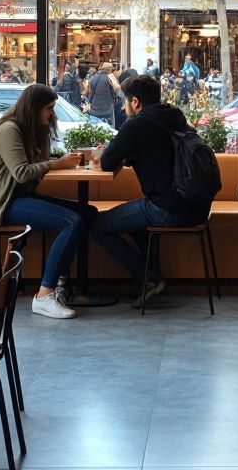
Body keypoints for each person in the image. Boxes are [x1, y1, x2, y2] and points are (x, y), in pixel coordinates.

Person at [94, 75, 213, 307]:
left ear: (135, 102)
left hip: (169, 207)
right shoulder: (174, 116)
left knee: (98, 225)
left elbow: (108, 162)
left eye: (125, 101)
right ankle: (150, 278)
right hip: (198, 205)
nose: (122, 106)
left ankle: (148, 277)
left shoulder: (136, 125)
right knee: (135, 219)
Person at [0, 83, 93, 319]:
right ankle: (45, 294)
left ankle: (62, 283)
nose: (52, 113)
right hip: (1, 204)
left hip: (19, 197)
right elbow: (21, 172)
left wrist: (59, 159)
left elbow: (30, 164)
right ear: (33, 108)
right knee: (71, 222)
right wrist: (56, 164)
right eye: (49, 108)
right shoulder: (9, 130)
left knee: (87, 213)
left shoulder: (28, 130)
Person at [84, 62, 121, 127]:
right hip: (108, 109)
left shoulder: (92, 79)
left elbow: (90, 95)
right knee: (110, 129)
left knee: (95, 128)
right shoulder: (109, 79)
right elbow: (114, 94)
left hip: (95, 109)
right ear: (108, 70)